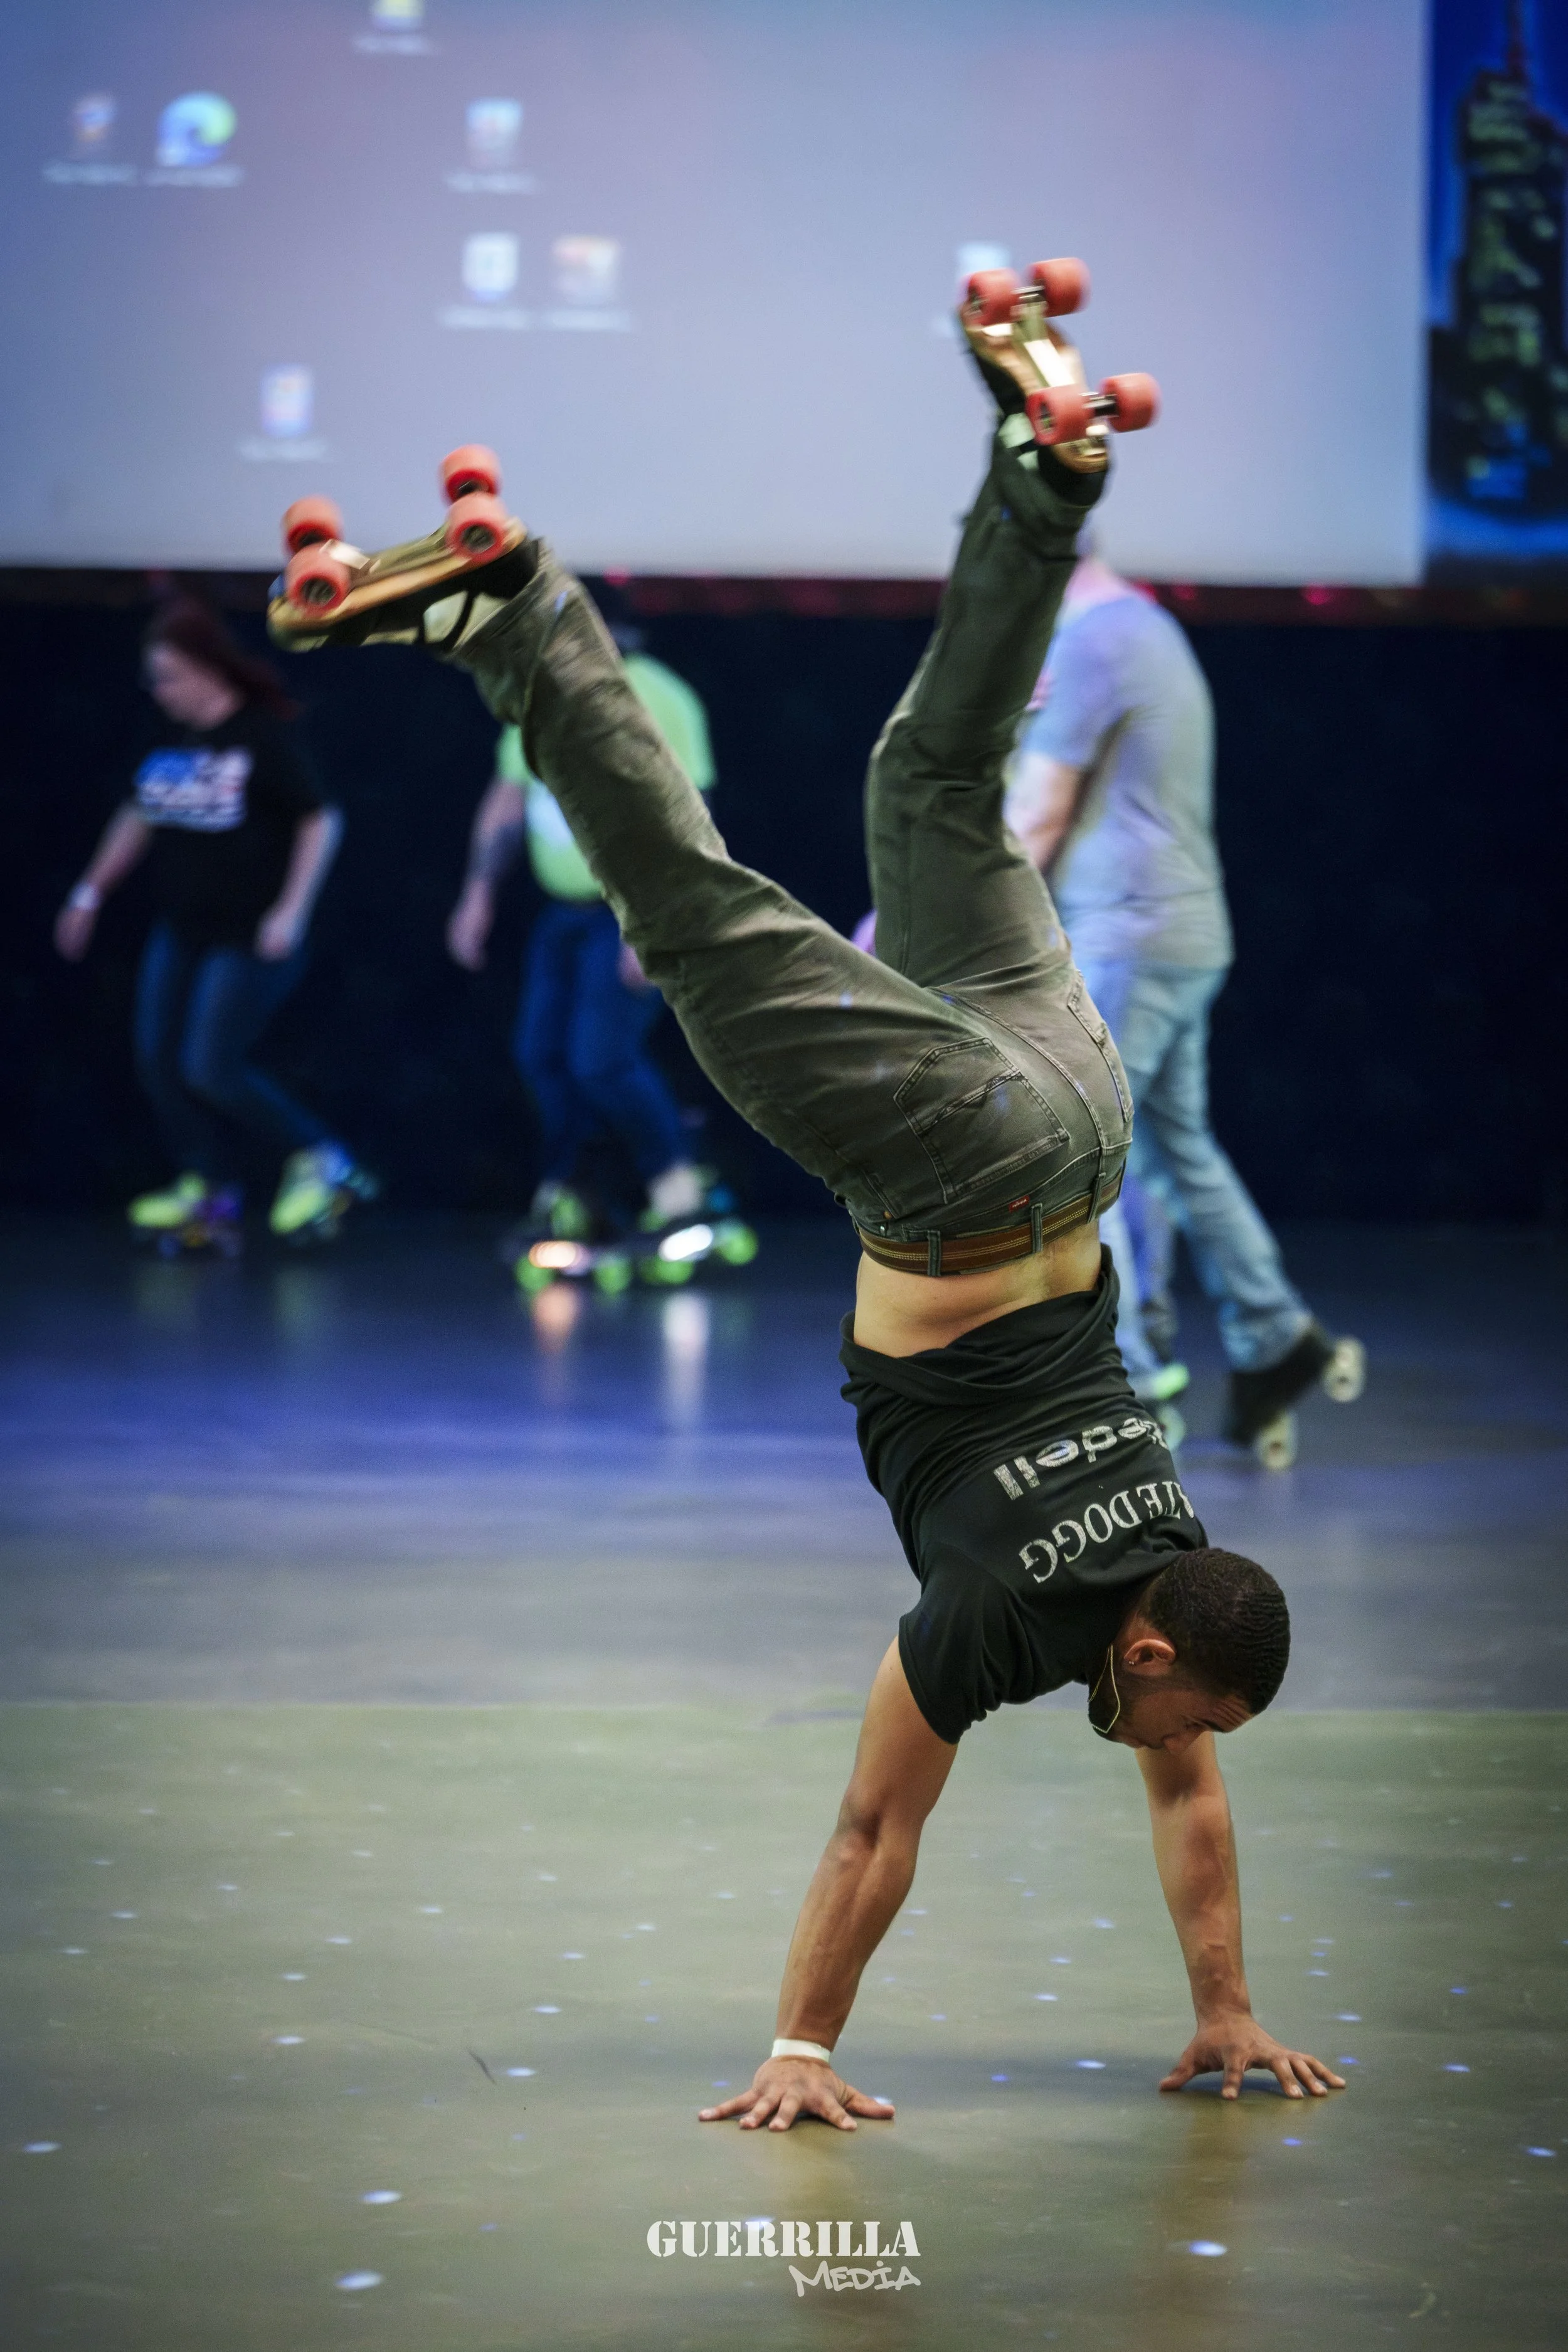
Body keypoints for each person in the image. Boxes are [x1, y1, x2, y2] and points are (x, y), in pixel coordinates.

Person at [268, 265, 1344, 2126]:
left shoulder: (1172, 1535)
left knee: (928, 774)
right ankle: (517, 612)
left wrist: (1230, 2004)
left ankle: (1039, 477)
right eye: (1185, 1715)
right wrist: (798, 2047)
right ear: (1151, 1648)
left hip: (1066, 1094)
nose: (1180, 1755)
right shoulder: (1005, 1616)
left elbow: (1179, 1781)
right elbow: (871, 1819)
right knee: (687, 918)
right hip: (960, 1181)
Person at [1007, 541, 1364, 1467]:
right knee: (1174, 1148)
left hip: (1128, 933)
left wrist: (921, 915)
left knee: (1076, 1149)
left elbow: (1036, 813)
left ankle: (1124, 1379)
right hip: (1181, 931)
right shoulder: (1148, 629)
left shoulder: (1095, 642)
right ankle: (1275, 1333)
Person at [53, 599, 374, 1249]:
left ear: (204, 670)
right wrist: (89, 893)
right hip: (184, 928)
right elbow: (137, 815)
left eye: (167, 675)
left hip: (252, 935)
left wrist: (291, 910)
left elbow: (321, 820)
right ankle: (209, 1190)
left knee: (210, 1066)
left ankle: (324, 1160)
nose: (159, 691)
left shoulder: (261, 736)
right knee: (157, 1060)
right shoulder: (170, 739)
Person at [445, 625, 716, 1242]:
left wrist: (649, 919)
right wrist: (477, 893)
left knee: (603, 1059)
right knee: (541, 1055)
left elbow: (686, 819)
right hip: (564, 910)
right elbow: (508, 801)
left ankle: (681, 1197)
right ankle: (573, 1191)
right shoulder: (537, 694)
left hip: (628, 911)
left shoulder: (658, 698)